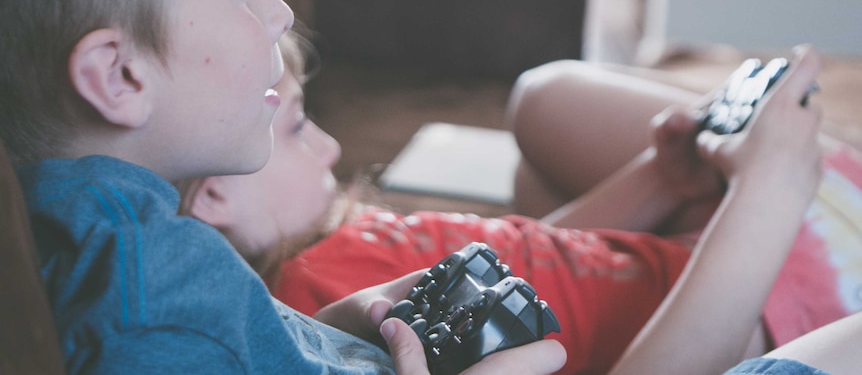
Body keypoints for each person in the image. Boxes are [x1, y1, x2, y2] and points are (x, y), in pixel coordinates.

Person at [0, 0, 565, 373]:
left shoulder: (129, 258)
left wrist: (327, 334)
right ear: (120, 76)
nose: (281, 14)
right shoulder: (153, 305)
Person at [181, 37, 859, 374]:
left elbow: (535, 259)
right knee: (547, 102)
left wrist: (659, 181)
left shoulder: (341, 249)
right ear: (215, 192)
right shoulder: (310, 297)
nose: (330, 148)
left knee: (540, 129)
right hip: (743, 292)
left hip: (688, 253)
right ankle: (803, 184)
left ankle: (780, 184)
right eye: (297, 127)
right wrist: (764, 190)